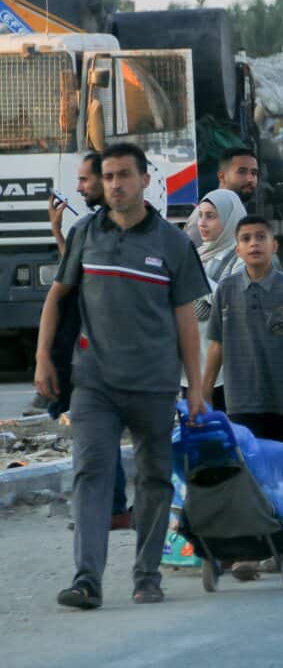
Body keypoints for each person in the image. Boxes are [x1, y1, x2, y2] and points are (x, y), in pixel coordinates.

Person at [34, 142, 209, 609]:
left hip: (154, 383)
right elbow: (58, 295)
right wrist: (43, 359)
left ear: (145, 180)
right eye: (108, 176)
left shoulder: (173, 243)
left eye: (123, 175)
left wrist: (195, 388)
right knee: (91, 471)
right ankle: (87, 578)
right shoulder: (86, 233)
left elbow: (186, 320)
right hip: (94, 381)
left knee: (153, 478)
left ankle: (147, 575)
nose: (115, 185)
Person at [45, 152, 130, 531]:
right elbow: (75, 279)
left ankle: (108, 510)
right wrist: (59, 234)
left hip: (110, 355)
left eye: (84, 180)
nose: (78, 188)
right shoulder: (86, 230)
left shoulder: (140, 232)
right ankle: (110, 508)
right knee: (97, 434)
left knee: (96, 435)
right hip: (83, 352)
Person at [204, 214, 283, 446]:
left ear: (274, 245)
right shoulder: (226, 290)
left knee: (279, 476)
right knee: (247, 473)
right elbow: (217, 344)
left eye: (261, 237)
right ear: (238, 249)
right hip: (239, 402)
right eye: (246, 238)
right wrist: (204, 393)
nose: (254, 243)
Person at [187, 189, 247, 412]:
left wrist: (195, 278)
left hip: (227, 371)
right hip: (192, 369)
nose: (202, 223)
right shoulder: (197, 254)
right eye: (200, 215)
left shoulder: (241, 257)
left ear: (230, 218)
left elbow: (232, 298)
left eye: (211, 216)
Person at [184, 148, 260, 246]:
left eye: (254, 173)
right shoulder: (209, 208)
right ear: (222, 176)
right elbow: (189, 254)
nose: (250, 179)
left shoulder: (235, 208)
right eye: (242, 172)